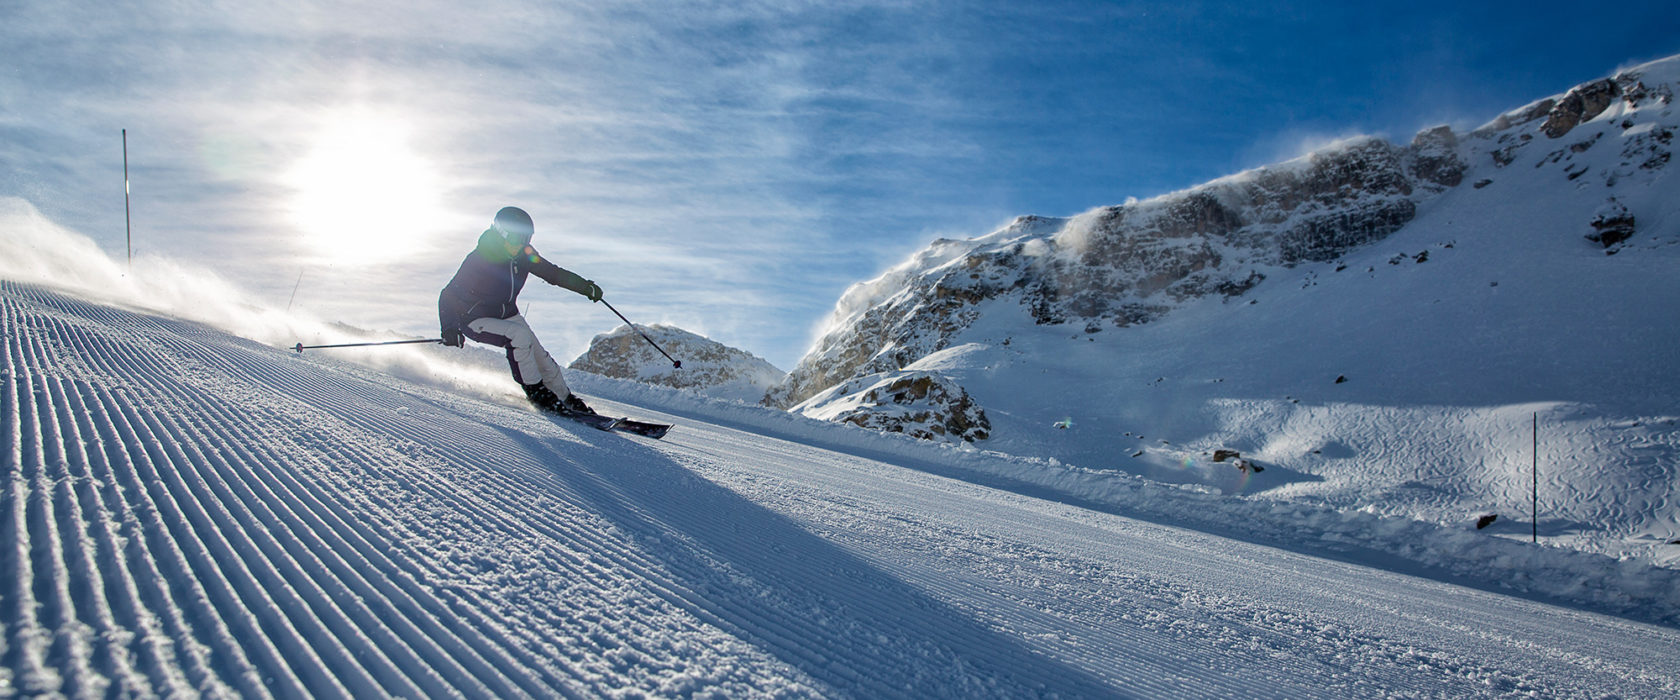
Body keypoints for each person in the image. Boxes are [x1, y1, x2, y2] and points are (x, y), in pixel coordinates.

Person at [439, 206, 603, 415]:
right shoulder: (479, 259)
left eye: (526, 239)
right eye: (517, 238)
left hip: (507, 313)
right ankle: (538, 395)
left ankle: (565, 399)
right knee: (518, 336)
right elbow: (448, 294)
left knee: (543, 359)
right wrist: (450, 328)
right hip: (473, 318)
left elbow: (553, 273)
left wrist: (585, 287)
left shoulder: (524, 255)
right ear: (501, 234)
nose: (521, 244)